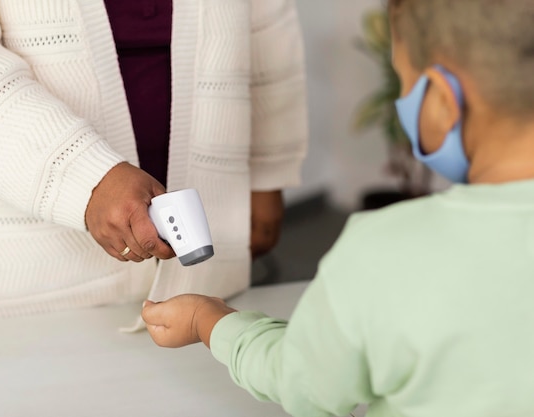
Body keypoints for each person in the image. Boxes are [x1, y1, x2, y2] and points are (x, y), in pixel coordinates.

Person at [141, 0, 534, 416]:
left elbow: (305, 383)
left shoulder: (384, 250)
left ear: (439, 99)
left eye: (404, 80)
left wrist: (209, 320)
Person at [0, 0, 308, 327]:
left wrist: (268, 171)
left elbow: (265, 23)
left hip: (200, 270)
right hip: (23, 278)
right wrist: (86, 178)